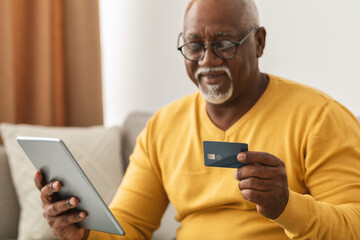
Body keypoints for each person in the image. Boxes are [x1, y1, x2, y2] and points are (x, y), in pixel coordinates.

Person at [34, 0, 360, 239]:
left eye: (223, 44)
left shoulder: (319, 118)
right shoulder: (163, 127)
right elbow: (130, 226)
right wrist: (83, 233)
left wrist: (286, 205)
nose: (207, 60)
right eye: (194, 45)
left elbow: (354, 225)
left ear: (259, 42)